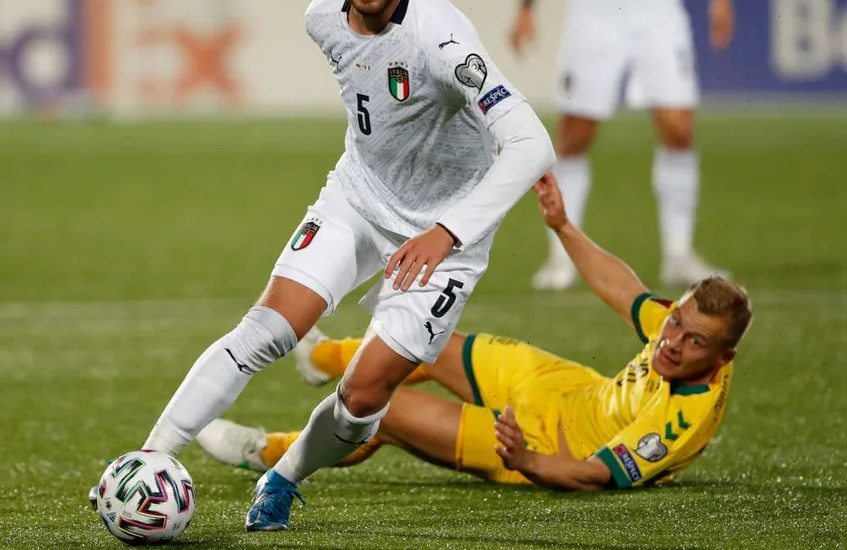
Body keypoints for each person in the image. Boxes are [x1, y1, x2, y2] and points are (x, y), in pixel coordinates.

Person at [89, 0, 555, 532]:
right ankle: (147, 461)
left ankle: (283, 477)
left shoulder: (441, 38)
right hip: (358, 201)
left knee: (364, 398)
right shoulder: (321, 18)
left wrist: (446, 233)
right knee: (264, 332)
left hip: (445, 237)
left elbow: (533, 142)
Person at [198, 172, 752, 491]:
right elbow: (623, 290)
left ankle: (265, 451)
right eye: (675, 323)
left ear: (723, 357)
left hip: (550, 443)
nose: (672, 342)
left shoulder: (684, 418)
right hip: (568, 386)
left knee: (382, 413)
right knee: (425, 340)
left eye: (693, 341)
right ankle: (320, 360)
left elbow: (598, 475)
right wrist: (562, 225)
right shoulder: (676, 329)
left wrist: (529, 461)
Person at [512, 0, 736, 290]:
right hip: (595, 14)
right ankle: (562, 257)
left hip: (660, 13)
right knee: (576, 135)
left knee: (679, 128)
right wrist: (528, 3)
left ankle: (678, 253)